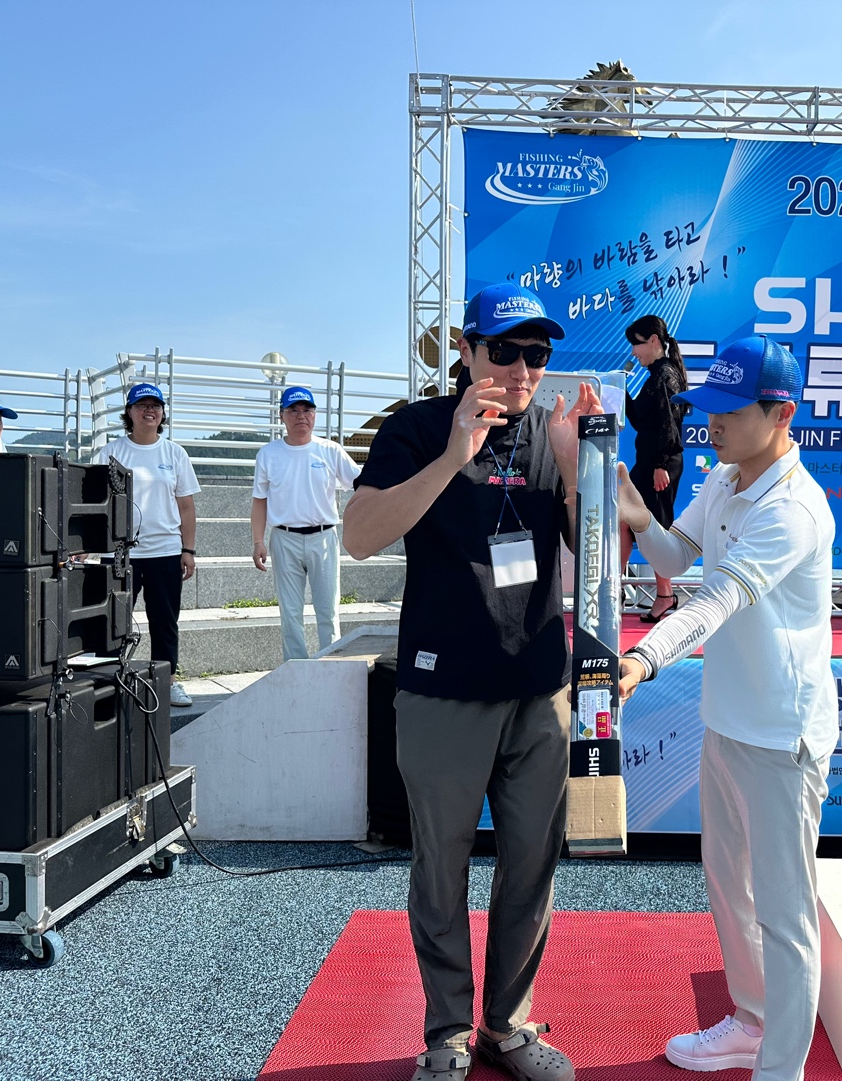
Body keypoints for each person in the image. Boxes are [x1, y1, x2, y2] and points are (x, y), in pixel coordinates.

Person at [342, 282, 598, 1081]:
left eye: (537, 354)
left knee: (533, 863)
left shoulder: (555, 434)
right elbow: (358, 536)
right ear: (465, 350)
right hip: (441, 687)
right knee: (440, 867)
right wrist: (453, 458)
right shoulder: (417, 428)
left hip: (538, 687)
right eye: (505, 351)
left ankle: (507, 1025)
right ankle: (448, 1030)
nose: (522, 370)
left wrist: (579, 470)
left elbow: (603, 557)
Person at [615, 336, 837, 1081]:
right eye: (709, 408)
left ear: (781, 415)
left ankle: (782, 1069)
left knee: (785, 913)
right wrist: (636, 511)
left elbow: (716, 601)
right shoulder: (724, 478)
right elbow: (675, 558)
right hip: (727, 720)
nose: (712, 423)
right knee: (728, 885)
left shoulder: (794, 509)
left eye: (731, 412)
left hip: (782, 736)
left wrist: (645, 656)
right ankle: (750, 1022)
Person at [92, 383, 202, 708]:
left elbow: (186, 507)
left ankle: (167, 681)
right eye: (142, 405)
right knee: (113, 621)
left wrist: (188, 549)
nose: (149, 411)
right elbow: (95, 503)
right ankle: (108, 682)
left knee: (164, 622)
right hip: (119, 553)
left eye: (155, 406)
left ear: (163, 413)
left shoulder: (174, 453)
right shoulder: (110, 452)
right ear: (129, 412)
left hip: (165, 552)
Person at [250, 386, 359, 661]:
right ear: (282, 415)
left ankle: (330, 667)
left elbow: (360, 483)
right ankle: (295, 668)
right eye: (293, 410)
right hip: (284, 538)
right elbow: (259, 500)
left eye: (307, 410)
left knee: (328, 611)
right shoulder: (268, 454)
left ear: (315, 414)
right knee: (290, 613)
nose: (301, 416)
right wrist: (258, 541)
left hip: (323, 538)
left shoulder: (330, 450)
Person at [622, 315, 689, 621]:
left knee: (656, 528)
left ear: (653, 341)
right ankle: (621, 588)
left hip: (659, 465)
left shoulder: (665, 374)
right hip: (649, 462)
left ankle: (663, 595)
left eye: (636, 344)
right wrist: (620, 388)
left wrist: (661, 464)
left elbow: (669, 422)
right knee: (628, 520)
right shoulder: (656, 375)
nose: (633, 351)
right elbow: (641, 421)